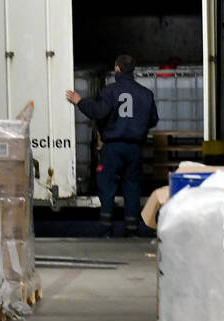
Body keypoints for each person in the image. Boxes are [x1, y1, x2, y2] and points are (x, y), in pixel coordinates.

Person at [66, 54, 158, 237]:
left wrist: (80, 102)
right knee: (132, 187)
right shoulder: (146, 94)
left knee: (107, 185)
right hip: (134, 148)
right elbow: (153, 120)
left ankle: (106, 228)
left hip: (113, 148)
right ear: (133, 70)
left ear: (117, 68)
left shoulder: (110, 91)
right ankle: (131, 229)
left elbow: (99, 112)